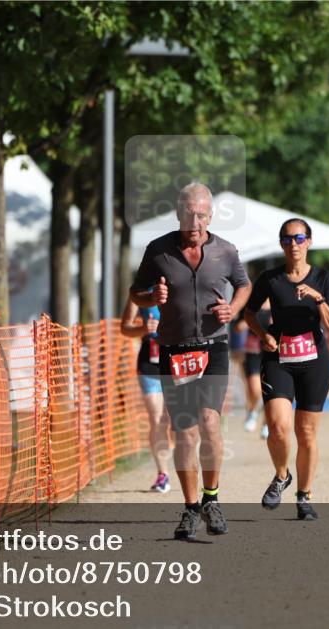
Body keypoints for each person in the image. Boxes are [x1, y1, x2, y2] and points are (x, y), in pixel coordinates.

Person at [130, 183, 250, 539]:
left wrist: (234, 309)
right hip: (175, 349)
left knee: (210, 423)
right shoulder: (158, 250)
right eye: (188, 214)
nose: (194, 221)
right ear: (179, 214)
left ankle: (212, 499)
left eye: (201, 214)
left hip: (212, 347)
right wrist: (150, 294)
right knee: (184, 433)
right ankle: (190, 507)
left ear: (210, 216)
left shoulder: (226, 251)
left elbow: (244, 286)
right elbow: (135, 294)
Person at [244, 219, 329, 521]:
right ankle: (282, 475)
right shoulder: (270, 278)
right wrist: (263, 335)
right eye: (287, 239)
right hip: (279, 359)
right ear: (281, 244)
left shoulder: (323, 279)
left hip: (315, 362)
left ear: (309, 242)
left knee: (307, 433)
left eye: (299, 238)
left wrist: (318, 298)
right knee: (278, 427)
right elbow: (248, 312)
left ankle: (304, 495)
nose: (293, 244)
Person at [120, 301, 172, 493]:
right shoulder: (140, 293)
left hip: (177, 362)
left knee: (179, 421)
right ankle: (163, 474)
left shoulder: (182, 283)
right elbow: (125, 328)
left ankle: (190, 467)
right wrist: (143, 328)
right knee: (157, 420)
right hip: (150, 364)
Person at [241, 300, 271, 438]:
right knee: (255, 389)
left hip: (271, 351)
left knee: (271, 391)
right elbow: (237, 326)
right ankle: (252, 411)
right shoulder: (252, 304)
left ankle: (266, 424)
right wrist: (244, 324)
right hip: (253, 351)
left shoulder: (279, 302)